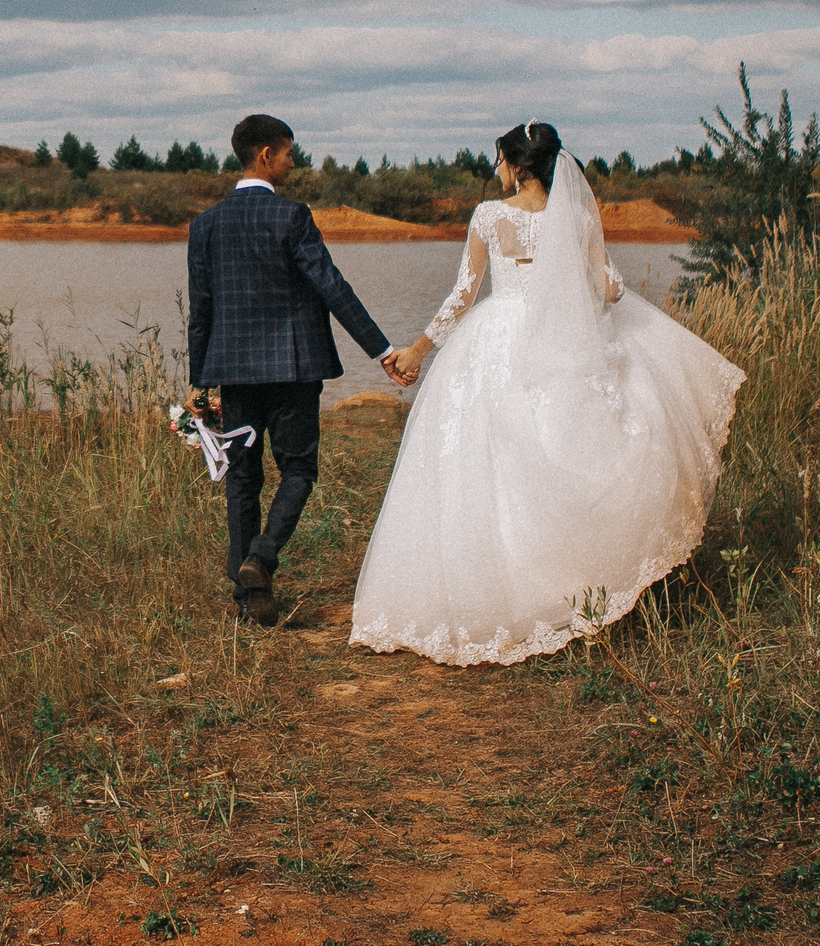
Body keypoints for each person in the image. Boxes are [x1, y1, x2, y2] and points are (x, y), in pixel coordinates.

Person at [350, 122, 745, 666]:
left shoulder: (490, 216)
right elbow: (608, 288)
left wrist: (418, 351)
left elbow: (464, 292)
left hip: (497, 340)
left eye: (498, 162)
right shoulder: (577, 215)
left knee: (495, 468)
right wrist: (576, 290)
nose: (496, 172)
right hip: (562, 341)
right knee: (565, 452)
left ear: (516, 165)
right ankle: (574, 585)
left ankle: (500, 594)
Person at [187, 113, 398, 626]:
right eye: (287, 153)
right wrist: (381, 349)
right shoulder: (291, 217)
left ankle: (249, 601)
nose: (293, 161)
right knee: (299, 469)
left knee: (242, 477)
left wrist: (200, 379)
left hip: (233, 371)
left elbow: (202, 307)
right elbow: (332, 286)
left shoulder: (206, 224)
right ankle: (262, 557)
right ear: (265, 156)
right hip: (292, 365)